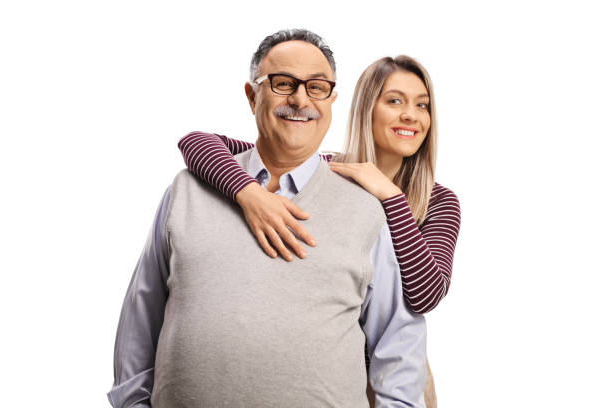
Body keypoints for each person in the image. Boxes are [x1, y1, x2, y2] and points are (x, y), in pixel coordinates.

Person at [108, 29, 426, 408]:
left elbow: (398, 339)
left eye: (317, 87)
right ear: (251, 94)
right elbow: (141, 313)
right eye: (282, 83)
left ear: (332, 99)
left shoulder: (365, 206)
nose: (299, 99)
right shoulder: (188, 190)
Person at [176, 56, 461, 408]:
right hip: (325, 375)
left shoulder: (439, 201)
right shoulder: (324, 170)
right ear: (366, 109)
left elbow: (425, 295)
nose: (411, 116)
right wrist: (248, 194)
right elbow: (197, 143)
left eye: (423, 105)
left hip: (395, 378)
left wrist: (390, 196)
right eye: (395, 101)